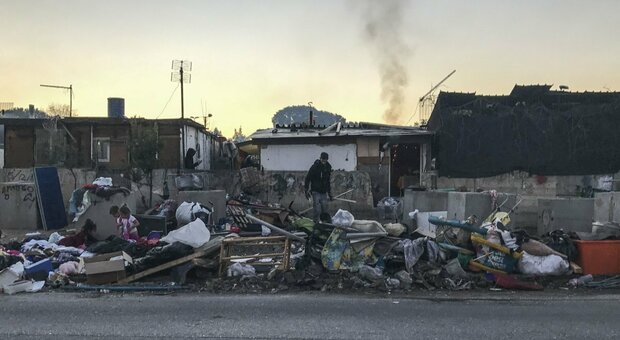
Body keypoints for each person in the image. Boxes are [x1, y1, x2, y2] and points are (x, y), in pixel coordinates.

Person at [304, 152, 333, 222]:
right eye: (322, 159)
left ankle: (324, 223)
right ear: (320, 158)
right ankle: (316, 223)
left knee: (324, 208)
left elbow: (328, 181)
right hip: (315, 191)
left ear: (327, 159)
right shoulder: (315, 167)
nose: (324, 161)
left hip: (323, 191)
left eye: (325, 160)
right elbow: (308, 178)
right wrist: (306, 190)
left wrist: (329, 193)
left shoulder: (328, 167)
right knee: (317, 209)